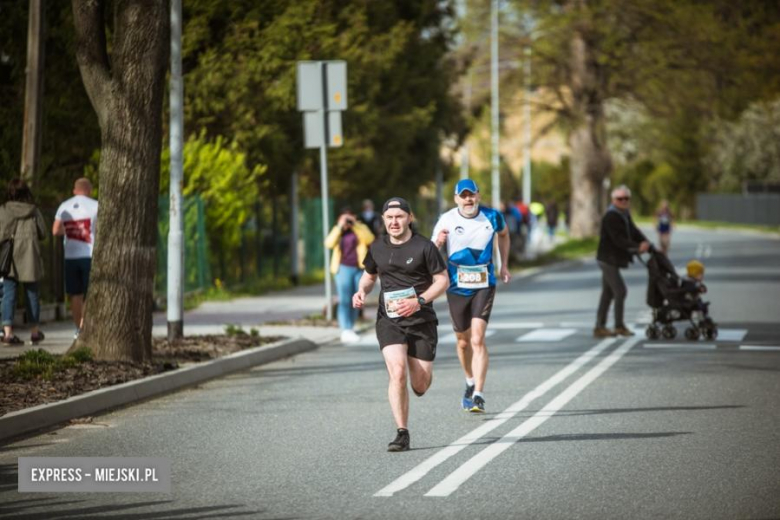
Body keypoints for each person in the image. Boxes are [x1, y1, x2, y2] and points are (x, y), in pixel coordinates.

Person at [352, 197, 449, 452]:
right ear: (383, 220)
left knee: (419, 384)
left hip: (421, 320)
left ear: (409, 218)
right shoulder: (377, 247)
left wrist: (419, 301)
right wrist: (361, 291)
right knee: (397, 372)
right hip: (390, 320)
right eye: (389, 217)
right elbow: (369, 277)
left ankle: (423, 373)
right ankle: (402, 433)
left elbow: (442, 281)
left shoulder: (425, 247)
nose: (394, 222)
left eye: (399, 217)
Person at [432, 179, 511, 414]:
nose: (468, 199)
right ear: (456, 198)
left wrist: (504, 264)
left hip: (484, 283)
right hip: (456, 285)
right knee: (463, 341)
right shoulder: (447, 219)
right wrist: (438, 242)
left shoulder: (493, 216)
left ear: (478, 195)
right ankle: (469, 380)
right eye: (463, 195)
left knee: (477, 339)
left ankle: (478, 393)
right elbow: (429, 251)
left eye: (472, 195)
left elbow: (505, 235)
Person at [594, 185, 651, 338]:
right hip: (607, 259)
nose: (624, 201)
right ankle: (618, 326)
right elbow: (618, 239)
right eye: (620, 199)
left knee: (607, 293)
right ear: (614, 200)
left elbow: (633, 231)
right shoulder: (611, 216)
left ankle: (599, 327)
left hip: (612, 259)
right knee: (620, 291)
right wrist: (637, 246)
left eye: (626, 198)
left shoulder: (624, 214)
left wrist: (646, 242)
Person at [0, 178, 48, 345]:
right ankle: (35, 332)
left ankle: (8, 333)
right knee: (32, 295)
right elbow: (43, 233)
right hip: (30, 258)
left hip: (9, 259)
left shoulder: (4, 210)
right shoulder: (33, 211)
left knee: (9, 294)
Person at [52, 177, 99, 338]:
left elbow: (55, 230)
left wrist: (72, 230)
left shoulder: (64, 206)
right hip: (89, 255)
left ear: (74, 190)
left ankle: (78, 328)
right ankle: (87, 326)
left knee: (75, 294)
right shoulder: (95, 205)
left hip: (70, 256)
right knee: (89, 293)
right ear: (89, 190)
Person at [325, 207, 374, 343]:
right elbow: (328, 243)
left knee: (356, 299)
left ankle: (350, 327)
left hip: (359, 268)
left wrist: (355, 225)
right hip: (343, 268)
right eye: (344, 217)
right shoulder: (338, 230)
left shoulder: (360, 228)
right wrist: (340, 226)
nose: (347, 220)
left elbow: (369, 239)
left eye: (349, 217)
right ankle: (345, 329)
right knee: (344, 299)